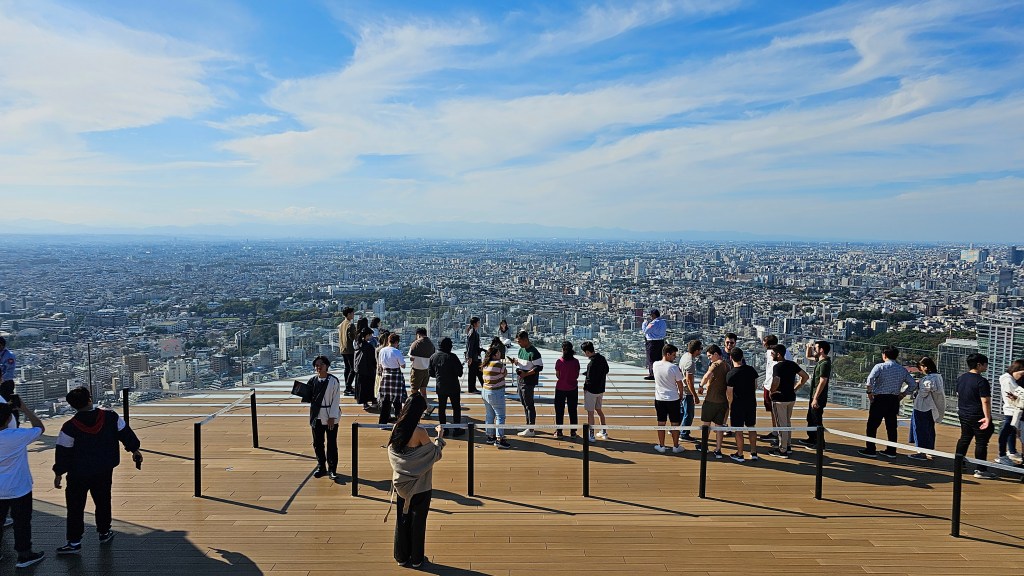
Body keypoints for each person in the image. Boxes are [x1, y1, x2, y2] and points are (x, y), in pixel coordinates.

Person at [52, 387, 142, 554]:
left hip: (78, 473)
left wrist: (59, 473)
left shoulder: (69, 427)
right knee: (103, 500)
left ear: (73, 406)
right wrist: (135, 450)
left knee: (75, 506)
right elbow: (125, 434)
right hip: (104, 469)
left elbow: (63, 452)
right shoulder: (110, 417)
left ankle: (74, 542)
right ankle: (104, 532)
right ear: (90, 399)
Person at [387, 394, 444, 568]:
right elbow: (434, 455)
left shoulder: (396, 427)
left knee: (402, 520)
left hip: (401, 484)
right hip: (420, 486)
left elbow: (394, 453)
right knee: (418, 523)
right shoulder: (420, 432)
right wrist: (439, 436)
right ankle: (417, 559)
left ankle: (401, 557)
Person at [0, 399, 45, 568]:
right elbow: (39, 428)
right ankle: (24, 555)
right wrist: (25, 409)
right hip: (19, 487)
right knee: (22, 522)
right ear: (8, 419)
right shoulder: (17, 436)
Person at [858, 346, 917, 459]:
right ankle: (891, 450)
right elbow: (913, 384)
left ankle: (871, 449)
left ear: (884, 355)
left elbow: (869, 380)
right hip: (894, 399)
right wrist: (903, 394)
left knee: (872, 425)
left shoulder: (879, 367)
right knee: (891, 426)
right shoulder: (902, 369)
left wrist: (870, 393)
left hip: (880, 399)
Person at [955, 353, 996, 479]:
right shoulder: (981, 381)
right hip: (978, 415)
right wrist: (987, 417)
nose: (986, 366)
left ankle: (959, 463)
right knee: (981, 442)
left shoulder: (961, 378)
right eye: (985, 364)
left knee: (965, 438)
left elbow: (958, 394)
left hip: (964, 413)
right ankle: (981, 469)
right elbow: (985, 401)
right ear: (979, 365)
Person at [302, 356, 341, 479]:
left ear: (327, 366)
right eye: (316, 365)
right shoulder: (312, 381)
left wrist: (332, 416)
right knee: (317, 443)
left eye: (321, 364)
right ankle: (321, 466)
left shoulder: (333, 381)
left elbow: (336, 400)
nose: (318, 367)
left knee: (332, 443)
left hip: (330, 415)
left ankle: (332, 469)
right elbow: (308, 398)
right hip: (317, 416)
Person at [768, 344, 809, 458]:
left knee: (781, 425)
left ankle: (782, 450)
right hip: (791, 397)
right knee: (787, 422)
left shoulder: (777, 367)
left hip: (779, 399)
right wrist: (795, 389)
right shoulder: (792, 364)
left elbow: (776, 380)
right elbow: (805, 376)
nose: (771, 355)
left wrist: (772, 391)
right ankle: (788, 445)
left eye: (773, 353)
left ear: (778, 354)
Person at [908, 357, 946, 460]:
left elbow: (924, 393)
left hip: (923, 407)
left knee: (920, 429)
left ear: (925, 367)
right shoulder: (938, 377)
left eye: (921, 367)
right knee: (929, 429)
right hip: (932, 408)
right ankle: (929, 450)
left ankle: (921, 452)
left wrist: (918, 385)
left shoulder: (929, 379)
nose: (920, 369)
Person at [726, 348, 759, 462]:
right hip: (750, 402)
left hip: (737, 404)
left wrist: (730, 404)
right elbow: (755, 386)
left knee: (738, 429)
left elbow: (729, 393)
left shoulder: (731, 374)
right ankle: (753, 452)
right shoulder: (751, 370)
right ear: (742, 357)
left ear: (731, 357)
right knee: (751, 427)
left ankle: (740, 454)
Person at [798, 341, 832, 448]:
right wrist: (808, 347)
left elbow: (823, 381)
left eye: (816, 348)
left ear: (821, 350)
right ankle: (812, 439)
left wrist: (816, 398)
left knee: (816, 419)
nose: (814, 350)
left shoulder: (825, 364)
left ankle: (820, 443)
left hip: (819, 396)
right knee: (811, 417)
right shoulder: (820, 360)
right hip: (814, 395)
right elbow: (808, 356)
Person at [651, 344, 685, 453]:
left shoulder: (655, 365)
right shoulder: (673, 368)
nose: (675, 357)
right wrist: (681, 395)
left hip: (660, 398)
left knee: (661, 422)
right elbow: (680, 384)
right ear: (667, 354)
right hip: (673, 398)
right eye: (673, 355)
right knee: (675, 423)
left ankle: (661, 445)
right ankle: (675, 446)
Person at [429, 338, 464, 438]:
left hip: (441, 386)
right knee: (456, 407)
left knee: (442, 408)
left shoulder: (433, 357)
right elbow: (460, 373)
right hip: (453, 386)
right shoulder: (452, 357)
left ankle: (443, 429)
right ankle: (456, 429)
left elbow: (431, 373)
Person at [699, 344, 731, 458]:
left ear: (716, 354)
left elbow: (707, 375)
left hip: (711, 400)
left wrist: (701, 386)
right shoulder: (727, 365)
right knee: (719, 427)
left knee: (706, 424)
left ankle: (704, 445)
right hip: (722, 401)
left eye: (710, 356)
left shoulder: (715, 364)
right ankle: (718, 450)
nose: (709, 358)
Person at [759, 335, 792, 443]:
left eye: (764, 342)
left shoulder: (771, 353)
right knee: (784, 414)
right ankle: (784, 437)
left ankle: (777, 434)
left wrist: (771, 388)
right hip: (786, 387)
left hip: (772, 386)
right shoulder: (787, 352)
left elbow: (772, 372)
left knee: (775, 411)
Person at [512, 331, 543, 437]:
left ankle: (531, 428)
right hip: (520, 379)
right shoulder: (521, 350)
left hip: (528, 381)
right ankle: (528, 425)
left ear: (525, 340)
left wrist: (526, 374)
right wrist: (516, 362)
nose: (518, 343)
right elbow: (524, 363)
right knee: (524, 403)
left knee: (529, 404)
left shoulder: (534, 352)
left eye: (519, 341)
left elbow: (539, 367)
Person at [480, 346, 512, 449]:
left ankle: (490, 436)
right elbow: (505, 373)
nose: (500, 354)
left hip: (485, 391)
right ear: (494, 355)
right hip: (496, 392)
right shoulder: (498, 364)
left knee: (489, 415)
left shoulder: (485, 364)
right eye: (498, 353)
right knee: (500, 416)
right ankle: (499, 439)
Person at [995, 360, 1024, 465]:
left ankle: (1011, 452)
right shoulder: (1008, 381)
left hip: (1014, 410)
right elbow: (1015, 395)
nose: (1021, 377)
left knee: (1010, 431)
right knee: (1006, 432)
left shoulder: (1009, 379)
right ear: (1016, 370)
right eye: (1021, 374)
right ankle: (1002, 455)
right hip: (1012, 410)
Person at [581, 342, 610, 442]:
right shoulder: (602, 358)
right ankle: (604, 431)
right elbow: (606, 370)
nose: (585, 354)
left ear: (587, 352)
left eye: (584, 352)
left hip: (591, 391)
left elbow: (589, 379)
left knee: (590, 413)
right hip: (600, 389)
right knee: (599, 410)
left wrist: (585, 388)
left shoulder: (591, 363)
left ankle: (591, 435)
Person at [378, 334, 408, 426]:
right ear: (397, 342)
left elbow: (380, 364)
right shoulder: (396, 351)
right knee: (397, 401)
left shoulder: (382, 350)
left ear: (388, 341)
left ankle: (382, 423)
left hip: (385, 376)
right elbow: (403, 365)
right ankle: (399, 423)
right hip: (396, 376)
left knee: (385, 400)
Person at [677, 340, 703, 444]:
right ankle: (684, 433)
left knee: (682, 412)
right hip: (687, 392)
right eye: (700, 349)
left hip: (681, 389)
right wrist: (695, 395)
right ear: (696, 350)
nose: (701, 351)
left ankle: (676, 429)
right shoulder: (690, 363)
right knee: (689, 413)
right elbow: (689, 381)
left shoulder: (685, 356)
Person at [554, 341, 580, 439]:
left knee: (559, 410)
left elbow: (558, 375)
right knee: (573, 410)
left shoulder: (559, 361)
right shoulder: (576, 362)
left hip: (560, 388)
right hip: (573, 388)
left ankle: (559, 431)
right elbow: (577, 375)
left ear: (563, 349)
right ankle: (573, 432)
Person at [354, 328, 379, 411]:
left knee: (362, 387)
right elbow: (373, 359)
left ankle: (365, 403)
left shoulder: (357, 344)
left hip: (359, 369)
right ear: (367, 335)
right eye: (370, 335)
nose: (371, 336)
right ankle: (373, 401)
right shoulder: (368, 346)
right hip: (368, 369)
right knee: (370, 386)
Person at [408, 328, 436, 401]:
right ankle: (425, 404)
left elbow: (411, 357)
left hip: (417, 370)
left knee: (414, 389)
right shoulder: (431, 344)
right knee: (423, 390)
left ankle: (416, 404)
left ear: (418, 334)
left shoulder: (416, 343)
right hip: (426, 370)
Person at [642, 309, 667, 380]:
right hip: (661, 342)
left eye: (651, 315)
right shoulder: (663, 322)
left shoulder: (653, 323)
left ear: (653, 315)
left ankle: (652, 374)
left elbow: (645, 331)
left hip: (652, 343)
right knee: (659, 358)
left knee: (651, 359)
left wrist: (644, 323)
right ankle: (659, 374)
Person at [337, 307, 357, 396]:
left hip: (343, 349)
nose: (353, 315)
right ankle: (348, 387)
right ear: (348, 314)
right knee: (353, 369)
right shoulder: (350, 325)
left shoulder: (341, 324)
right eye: (352, 313)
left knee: (347, 368)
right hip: (350, 349)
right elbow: (352, 337)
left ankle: (347, 386)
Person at [0, 337, 18, 428]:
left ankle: (15, 423)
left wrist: (1, 379)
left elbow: (9, 372)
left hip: (6, 383)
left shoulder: (9, 356)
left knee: (9, 403)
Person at [465, 318, 483, 394]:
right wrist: (470, 357)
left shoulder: (473, 331)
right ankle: (472, 388)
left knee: (477, 372)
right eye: (478, 322)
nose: (479, 324)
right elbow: (470, 346)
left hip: (475, 356)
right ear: (475, 324)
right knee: (473, 373)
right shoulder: (472, 332)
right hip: (473, 356)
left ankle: (474, 388)